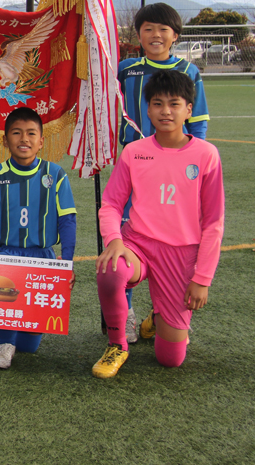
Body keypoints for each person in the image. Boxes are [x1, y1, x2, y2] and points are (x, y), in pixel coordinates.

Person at [92, 70, 225, 379]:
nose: (166, 111)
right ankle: (117, 344)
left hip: (182, 255)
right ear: (148, 109)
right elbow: (111, 203)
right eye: (158, 103)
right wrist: (114, 240)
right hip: (138, 244)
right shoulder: (134, 152)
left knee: (170, 360)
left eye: (174, 104)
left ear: (188, 109)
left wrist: (202, 278)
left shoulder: (206, 156)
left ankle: (159, 316)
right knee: (110, 271)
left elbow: (214, 222)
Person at [116, 2, 210, 341]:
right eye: (148, 29)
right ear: (138, 34)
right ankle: (124, 316)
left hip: (175, 174)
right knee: (125, 241)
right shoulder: (126, 70)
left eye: (163, 29)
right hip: (134, 168)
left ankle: (165, 310)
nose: (156, 35)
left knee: (174, 242)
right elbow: (103, 109)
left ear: (175, 35)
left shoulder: (189, 71)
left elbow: (197, 126)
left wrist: (189, 166)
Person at [0, 107, 77, 370]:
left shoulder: (55, 175)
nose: (24, 139)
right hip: (6, 254)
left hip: (42, 257)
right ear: (5, 140)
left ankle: (6, 329)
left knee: (29, 346)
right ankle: (3, 343)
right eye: (16, 133)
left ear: (41, 141)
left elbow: (67, 220)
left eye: (31, 133)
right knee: (8, 302)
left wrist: (67, 263)